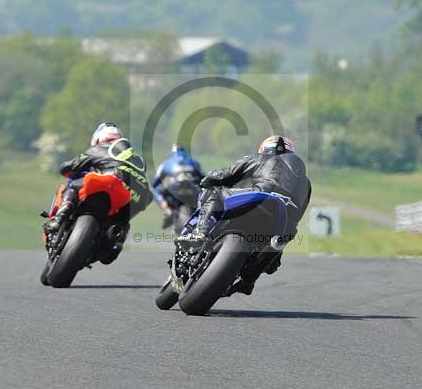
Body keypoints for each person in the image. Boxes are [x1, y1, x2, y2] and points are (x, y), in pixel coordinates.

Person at [178, 135, 312, 294]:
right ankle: (249, 280)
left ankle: (201, 233)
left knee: (215, 192)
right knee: (279, 243)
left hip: (259, 200)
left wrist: (206, 180)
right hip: (283, 222)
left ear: (264, 149)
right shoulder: (306, 182)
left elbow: (226, 173)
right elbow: (300, 213)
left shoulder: (262, 158)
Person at [44, 122, 152, 263]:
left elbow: (70, 166)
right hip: (140, 194)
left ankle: (60, 216)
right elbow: (149, 196)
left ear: (98, 139)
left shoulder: (100, 148)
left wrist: (65, 168)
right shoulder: (136, 157)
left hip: (111, 180)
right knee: (122, 220)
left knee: (72, 184)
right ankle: (117, 239)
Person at [152, 143, 205, 228]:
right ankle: (202, 213)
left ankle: (166, 208)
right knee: (204, 190)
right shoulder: (193, 161)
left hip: (174, 188)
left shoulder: (167, 162)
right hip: (192, 189)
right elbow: (204, 177)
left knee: (154, 190)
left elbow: (155, 183)